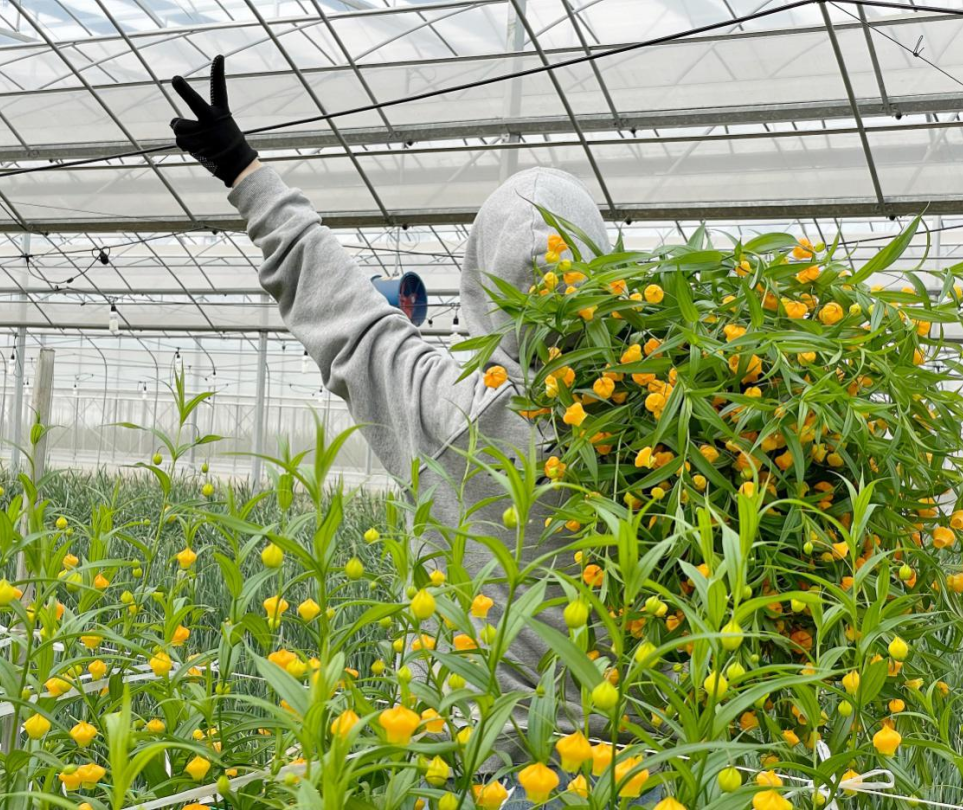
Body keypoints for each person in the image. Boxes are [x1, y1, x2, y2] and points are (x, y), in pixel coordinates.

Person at [170, 57, 662, 806]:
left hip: (467, 755)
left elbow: (345, 313)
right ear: (603, 263)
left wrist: (245, 171)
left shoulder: (443, 404)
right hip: (616, 765)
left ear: (479, 276)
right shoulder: (662, 421)